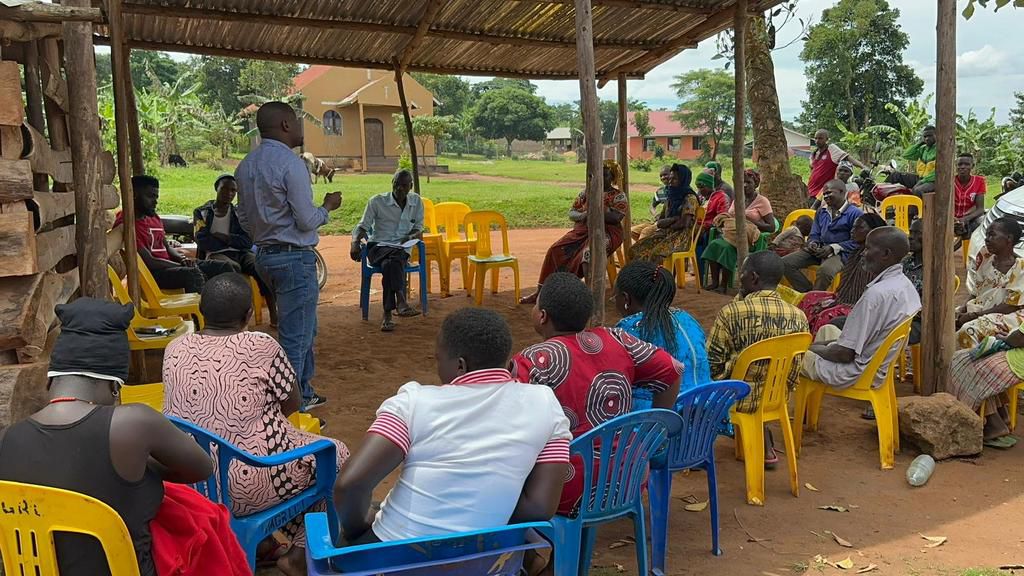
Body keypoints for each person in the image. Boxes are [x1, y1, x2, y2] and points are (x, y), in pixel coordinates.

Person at [0, 298, 215, 576]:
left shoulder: (9, 438)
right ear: (115, 386)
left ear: (50, 380)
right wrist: (144, 468)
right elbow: (201, 467)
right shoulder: (133, 423)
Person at [162, 273, 350, 576]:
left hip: (192, 481)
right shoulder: (260, 344)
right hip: (250, 484)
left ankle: (261, 544)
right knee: (334, 455)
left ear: (201, 310)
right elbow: (292, 403)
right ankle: (297, 559)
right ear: (249, 314)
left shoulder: (174, 348)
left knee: (295, 454)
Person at [335, 308, 570, 546]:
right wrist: (480, 511)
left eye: (438, 359)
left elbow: (350, 484)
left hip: (398, 557)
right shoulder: (545, 403)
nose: (438, 369)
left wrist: (358, 530)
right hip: (485, 562)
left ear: (460, 365)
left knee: (323, 545)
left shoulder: (413, 403)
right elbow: (540, 506)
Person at [511, 272, 681, 517]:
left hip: (565, 487)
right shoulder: (617, 338)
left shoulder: (532, 360)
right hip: (628, 477)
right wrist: (655, 435)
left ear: (542, 315)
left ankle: (535, 548)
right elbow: (673, 371)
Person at [235, 101, 343, 410]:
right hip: (294, 257)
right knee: (295, 337)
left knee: (305, 326)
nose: (299, 127)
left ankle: (304, 392)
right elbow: (306, 220)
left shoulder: (246, 165)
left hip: (266, 256)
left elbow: (243, 218)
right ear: (285, 125)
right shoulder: (291, 164)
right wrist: (327, 207)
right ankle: (287, 410)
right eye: (296, 122)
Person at [707, 251, 809, 464]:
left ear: (753, 277)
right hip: (776, 398)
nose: (739, 277)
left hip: (735, 399)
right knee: (761, 376)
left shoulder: (732, 312)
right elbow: (794, 370)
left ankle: (696, 449)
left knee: (693, 378)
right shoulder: (799, 316)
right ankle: (762, 436)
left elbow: (712, 365)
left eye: (742, 273)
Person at [800, 227, 921, 390]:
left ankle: (781, 408)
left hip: (856, 373)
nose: (863, 253)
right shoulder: (905, 285)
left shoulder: (875, 295)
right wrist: (823, 346)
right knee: (828, 330)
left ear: (886, 254)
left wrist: (808, 348)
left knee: (789, 356)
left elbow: (844, 354)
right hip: (876, 364)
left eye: (868, 248)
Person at [519, 161, 627, 304]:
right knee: (555, 250)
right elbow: (572, 213)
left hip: (607, 232)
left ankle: (589, 296)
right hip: (582, 231)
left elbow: (616, 217)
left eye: (606, 175)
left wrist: (597, 211)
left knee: (588, 254)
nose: (601, 178)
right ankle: (541, 292)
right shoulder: (585, 193)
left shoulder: (618, 196)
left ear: (612, 177)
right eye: (599, 175)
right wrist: (583, 215)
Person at [113, 175, 234, 293]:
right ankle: (200, 313)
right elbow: (150, 262)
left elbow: (167, 247)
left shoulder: (153, 217)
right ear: (133, 195)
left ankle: (232, 308)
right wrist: (179, 265)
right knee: (193, 275)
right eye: (150, 196)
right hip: (153, 273)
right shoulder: (127, 223)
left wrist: (182, 259)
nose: (155, 202)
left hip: (170, 265)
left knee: (224, 267)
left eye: (156, 197)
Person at [615, 260, 711, 396]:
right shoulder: (686, 318)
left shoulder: (626, 330)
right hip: (706, 409)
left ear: (626, 299)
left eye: (614, 297)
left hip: (662, 414)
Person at [194, 174, 276, 325]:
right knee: (233, 268)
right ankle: (238, 316)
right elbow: (203, 240)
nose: (229, 193)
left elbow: (247, 241)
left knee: (261, 267)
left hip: (242, 253)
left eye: (233, 190)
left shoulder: (239, 213)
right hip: (216, 254)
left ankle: (274, 314)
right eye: (225, 189)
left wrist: (224, 237)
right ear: (216, 188)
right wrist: (230, 242)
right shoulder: (202, 212)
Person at [350, 170, 424, 332]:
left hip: (401, 249)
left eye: (404, 186)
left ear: (411, 186)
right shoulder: (377, 202)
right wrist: (355, 242)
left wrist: (409, 236)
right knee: (393, 257)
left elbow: (418, 228)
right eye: (396, 184)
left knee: (390, 264)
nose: (399, 189)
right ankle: (401, 299)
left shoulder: (416, 202)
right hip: (378, 247)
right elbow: (362, 227)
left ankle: (388, 316)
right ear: (392, 183)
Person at [795, 213, 887, 334]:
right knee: (809, 298)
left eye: (858, 228)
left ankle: (813, 345)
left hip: (857, 306)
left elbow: (860, 297)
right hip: (842, 297)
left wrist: (832, 305)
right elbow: (844, 286)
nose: (852, 231)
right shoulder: (855, 252)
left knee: (825, 315)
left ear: (873, 231)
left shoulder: (873, 258)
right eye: (853, 228)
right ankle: (799, 335)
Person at [948, 326, 1024, 449]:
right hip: (1017, 356)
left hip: (1018, 362)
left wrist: (1004, 338)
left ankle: (993, 426)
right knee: (981, 368)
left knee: (965, 363)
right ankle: (1001, 420)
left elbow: (1018, 339)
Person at [782, 179, 864, 292]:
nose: (826, 196)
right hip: (820, 250)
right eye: (824, 194)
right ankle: (807, 292)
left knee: (825, 271)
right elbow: (814, 234)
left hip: (842, 253)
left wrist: (832, 248)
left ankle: (816, 297)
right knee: (785, 263)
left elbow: (858, 242)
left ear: (842, 192)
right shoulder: (822, 211)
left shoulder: (855, 214)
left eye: (829, 193)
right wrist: (813, 243)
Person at [701, 169, 776, 292]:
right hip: (732, 235)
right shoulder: (738, 200)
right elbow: (731, 215)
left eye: (748, 182)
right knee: (714, 244)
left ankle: (723, 285)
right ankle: (715, 282)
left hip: (750, 239)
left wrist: (748, 221)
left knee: (727, 248)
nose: (745, 185)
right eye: (742, 182)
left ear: (755, 184)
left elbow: (771, 227)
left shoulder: (762, 201)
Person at [956, 217, 1024, 349]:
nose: (987, 239)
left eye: (992, 235)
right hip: (982, 309)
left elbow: (1010, 306)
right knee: (945, 320)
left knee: (968, 331)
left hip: (1009, 315)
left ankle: (969, 367)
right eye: (986, 234)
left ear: (1009, 238)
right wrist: (963, 309)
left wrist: (972, 316)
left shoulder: (1020, 268)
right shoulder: (985, 256)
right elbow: (976, 291)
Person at [629, 164, 700, 263]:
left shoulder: (689, 198)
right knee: (635, 249)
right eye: (670, 178)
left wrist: (668, 223)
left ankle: (661, 277)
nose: (670, 182)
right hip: (666, 234)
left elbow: (683, 223)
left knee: (656, 254)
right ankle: (644, 277)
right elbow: (660, 222)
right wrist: (673, 219)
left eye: (674, 179)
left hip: (681, 238)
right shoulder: (670, 198)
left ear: (683, 180)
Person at [807, 129, 866, 203]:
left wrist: (863, 167)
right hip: (810, 190)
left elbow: (848, 157)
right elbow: (812, 171)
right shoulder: (813, 154)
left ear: (827, 139)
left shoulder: (831, 149)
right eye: (816, 138)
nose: (817, 141)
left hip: (822, 192)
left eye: (820, 138)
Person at [631, 164, 674, 241]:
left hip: (667, 224)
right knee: (632, 231)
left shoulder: (677, 191)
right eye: (661, 176)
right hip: (659, 222)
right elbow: (652, 206)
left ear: (671, 174)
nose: (663, 177)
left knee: (645, 232)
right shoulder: (660, 191)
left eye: (665, 174)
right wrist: (655, 214)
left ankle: (643, 249)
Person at [953, 153, 987, 243]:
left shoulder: (979, 181)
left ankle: (972, 249)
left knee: (983, 222)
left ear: (972, 166)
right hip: (951, 218)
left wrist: (965, 219)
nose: (962, 167)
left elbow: (980, 209)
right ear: (956, 166)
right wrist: (954, 219)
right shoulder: (949, 181)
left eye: (967, 164)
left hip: (970, 218)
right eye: (960, 164)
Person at [902, 219, 925, 346]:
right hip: (897, 317)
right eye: (911, 232)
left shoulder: (935, 269)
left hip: (918, 322)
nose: (911, 237)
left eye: (917, 233)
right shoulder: (905, 262)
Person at [903, 125, 937, 195]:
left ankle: (916, 206)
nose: (927, 138)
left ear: (936, 135)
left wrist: (922, 181)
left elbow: (937, 173)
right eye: (925, 137)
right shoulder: (922, 149)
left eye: (930, 136)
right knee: (895, 175)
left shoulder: (939, 150)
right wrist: (919, 143)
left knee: (917, 190)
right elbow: (906, 155)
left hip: (932, 181)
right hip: (919, 178)